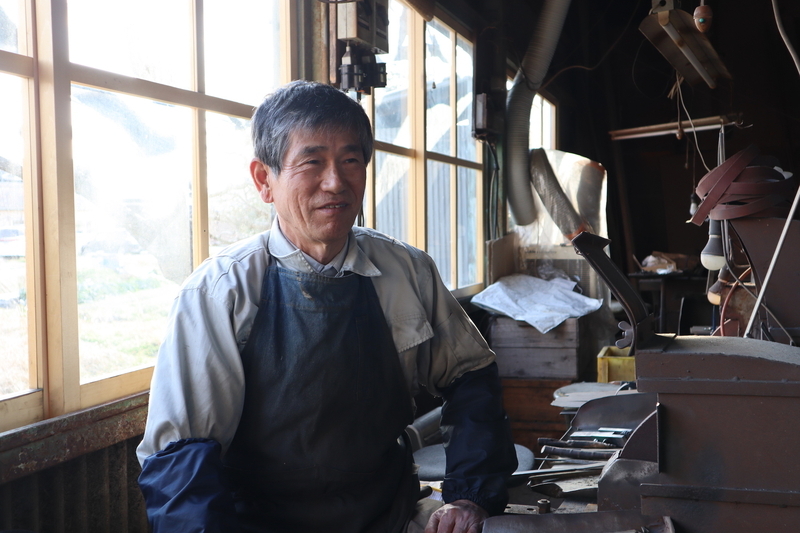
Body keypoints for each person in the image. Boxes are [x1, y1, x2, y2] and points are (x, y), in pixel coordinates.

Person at [137, 80, 517, 533]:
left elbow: (470, 378)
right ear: (264, 179)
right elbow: (181, 459)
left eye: (351, 160)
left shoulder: (406, 271)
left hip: (387, 518)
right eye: (312, 161)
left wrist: (469, 496)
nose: (335, 182)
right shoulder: (219, 292)